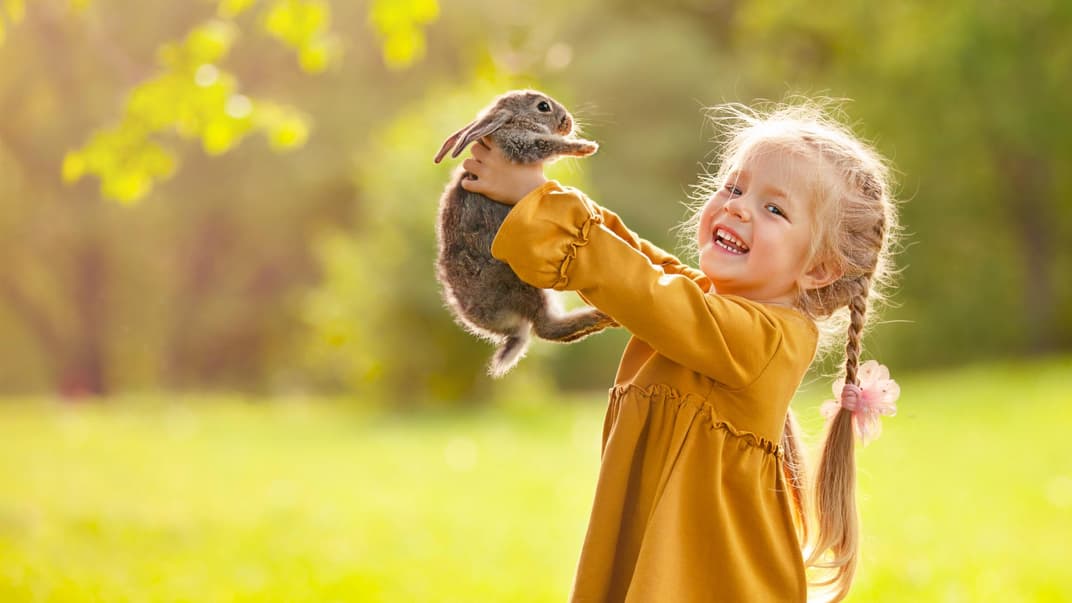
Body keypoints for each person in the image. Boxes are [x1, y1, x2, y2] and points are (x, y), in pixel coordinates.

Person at [459, 102, 902, 603]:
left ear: (819, 269)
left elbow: (643, 289)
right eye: (734, 188)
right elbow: (640, 264)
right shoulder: (706, 311)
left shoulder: (768, 339)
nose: (737, 206)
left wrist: (536, 201)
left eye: (773, 208)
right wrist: (543, 197)